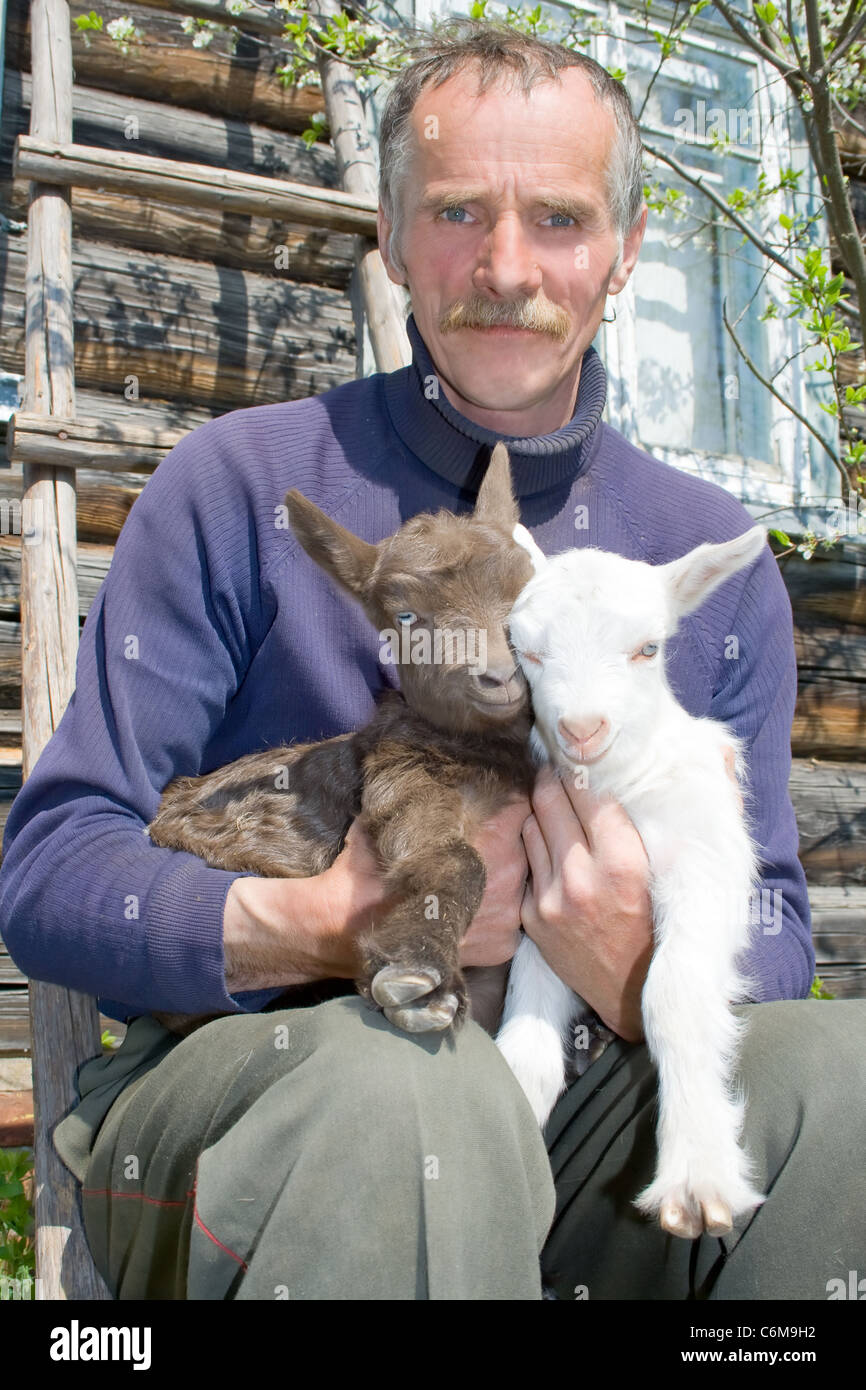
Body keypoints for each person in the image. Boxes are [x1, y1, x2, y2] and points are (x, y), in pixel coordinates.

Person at [0, 19, 862, 1301]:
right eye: (458, 211)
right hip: (265, 1103)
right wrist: (326, 922)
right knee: (409, 1094)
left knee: (841, 1084)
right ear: (395, 236)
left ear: (626, 251)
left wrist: (628, 954)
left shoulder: (694, 563)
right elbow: (53, 866)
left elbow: (778, 926)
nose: (504, 264)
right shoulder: (239, 487)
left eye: (559, 219)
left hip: (581, 1089)